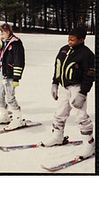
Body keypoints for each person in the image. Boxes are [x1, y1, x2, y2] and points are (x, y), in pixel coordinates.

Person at [41, 27, 95, 158]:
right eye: (68, 38)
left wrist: (82, 93)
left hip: (77, 88)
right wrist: (55, 83)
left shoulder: (86, 54)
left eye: (73, 39)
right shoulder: (64, 50)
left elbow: (89, 76)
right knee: (60, 112)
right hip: (63, 87)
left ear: (81, 40)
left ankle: (89, 143)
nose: (69, 41)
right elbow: (58, 67)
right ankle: (58, 136)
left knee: (81, 116)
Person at [0, 23, 25, 129]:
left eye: (3, 34)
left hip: (11, 74)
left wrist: (16, 78)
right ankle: (4, 115)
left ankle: (17, 118)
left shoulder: (15, 43)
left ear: (8, 32)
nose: (1, 36)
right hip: (3, 73)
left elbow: (19, 61)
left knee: (10, 97)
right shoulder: (4, 43)